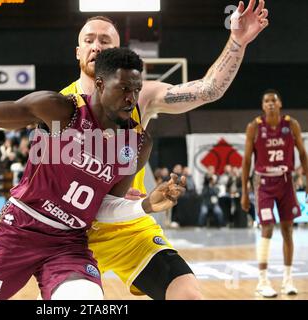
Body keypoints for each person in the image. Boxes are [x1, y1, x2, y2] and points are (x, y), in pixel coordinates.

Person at [0, 48, 186, 300]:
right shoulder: (61, 110)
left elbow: (103, 209)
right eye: (123, 89)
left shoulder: (137, 143)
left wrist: (145, 205)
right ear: (99, 84)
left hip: (69, 243)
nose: (131, 99)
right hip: (18, 228)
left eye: (135, 90)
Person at [59, 0, 268, 299]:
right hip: (74, 233)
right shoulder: (59, 105)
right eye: (88, 40)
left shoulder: (140, 97)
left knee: (188, 295)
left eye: (105, 41)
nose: (96, 46)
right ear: (78, 51)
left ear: (119, 53)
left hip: (129, 227)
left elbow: (209, 90)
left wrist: (237, 41)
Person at [241, 89, 308, 298]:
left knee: (288, 230)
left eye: (274, 100)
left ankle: (287, 280)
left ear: (280, 104)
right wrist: (244, 191)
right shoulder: (254, 126)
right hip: (264, 183)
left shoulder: (291, 125)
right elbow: (246, 162)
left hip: (286, 181)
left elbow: (303, 154)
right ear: (263, 106)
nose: (270, 103)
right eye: (266, 101)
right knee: (267, 229)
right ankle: (262, 281)